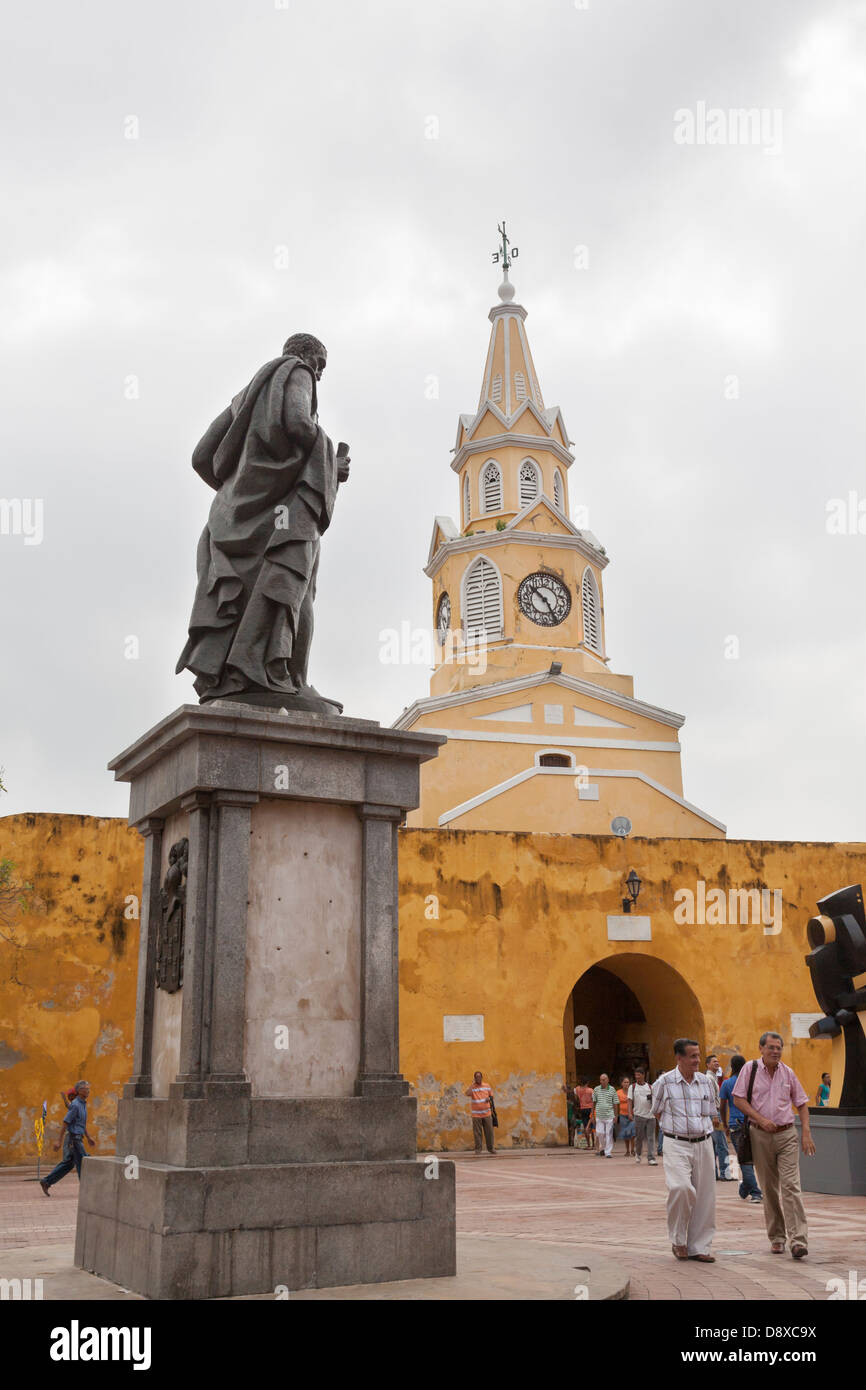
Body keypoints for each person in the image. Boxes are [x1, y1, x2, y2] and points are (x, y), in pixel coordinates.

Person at [176, 333, 350, 712]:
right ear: (306, 356)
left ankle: (236, 677)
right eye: (319, 364)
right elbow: (299, 424)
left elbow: (201, 455)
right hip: (287, 514)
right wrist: (328, 466)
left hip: (231, 519)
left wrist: (239, 489)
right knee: (294, 588)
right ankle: (285, 678)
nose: (318, 374)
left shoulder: (244, 397)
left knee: (247, 597)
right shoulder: (297, 371)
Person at [733, 1031, 815, 1259]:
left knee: (791, 1186)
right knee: (769, 1189)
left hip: (787, 1134)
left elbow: (802, 1103)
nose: (776, 1051)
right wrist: (760, 1120)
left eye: (779, 1048)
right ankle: (777, 1237)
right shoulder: (750, 1070)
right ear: (761, 1049)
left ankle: (798, 1240)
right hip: (759, 1135)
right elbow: (738, 1099)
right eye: (771, 1047)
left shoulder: (788, 1073)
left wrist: (806, 1131)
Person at [652, 1040, 717, 1262]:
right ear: (678, 1058)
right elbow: (657, 1112)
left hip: (704, 1142)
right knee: (681, 1188)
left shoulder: (706, 1083)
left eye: (698, 1055)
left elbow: (709, 1113)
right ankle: (678, 1240)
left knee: (705, 1195)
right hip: (676, 1142)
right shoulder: (664, 1082)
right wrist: (676, 1129)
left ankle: (699, 1246)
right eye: (692, 1056)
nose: (697, 1060)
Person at [719, 1054, 762, 1202]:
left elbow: (722, 1106)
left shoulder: (727, 1083)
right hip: (753, 1122)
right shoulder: (752, 1081)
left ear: (732, 1066)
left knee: (744, 1160)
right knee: (751, 1158)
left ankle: (755, 1192)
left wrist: (724, 1124)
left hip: (736, 1124)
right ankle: (745, 1188)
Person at [40, 1081, 95, 1194]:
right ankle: (86, 1189)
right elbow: (65, 1122)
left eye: (88, 1088)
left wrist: (88, 1137)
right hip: (74, 1139)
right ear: (79, 1091)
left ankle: (47, 1181)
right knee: (83, 1161)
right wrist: (58, 1141)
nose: (88, 1090)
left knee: (69, 1163)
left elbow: (81, 1124)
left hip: (78, 1137)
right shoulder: (75, 1105)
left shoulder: (82, 1104)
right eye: (85, 1088)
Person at [705, 1053, 733, 1181]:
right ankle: (725, 1173)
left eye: (717, 1061)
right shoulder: (709, 1079)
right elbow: (710, 1099)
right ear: (708, 1064)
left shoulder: (713, 1078)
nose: (717, 1063)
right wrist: (715, 1115)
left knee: (713, 1144)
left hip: (713, 1114)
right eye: (714, 1062)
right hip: (714, 1113)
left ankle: (714, 1173)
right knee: (722, 1144)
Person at [629, 1066, 657, 1165]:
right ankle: (638, 1153)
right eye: (636, 1075)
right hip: (638, 1115)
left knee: (651, 1137)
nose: (637, 1077)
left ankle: (651, 1158)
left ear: (643, 1075)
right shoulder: (632, 1087)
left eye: (639, 1075)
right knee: (639, 1137)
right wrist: (630, 1112)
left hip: (651, 1116)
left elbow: (655, 1100)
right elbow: (630, 1100)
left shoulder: (650, 1087)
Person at [465, 1071, 496, 1155]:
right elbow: (467, 1093)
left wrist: (489, 1099)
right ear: (474, 1078)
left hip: (487, 1113)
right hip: (476, 1114)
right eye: (476, 1077)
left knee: (489, 1132)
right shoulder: (472, 1087)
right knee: (477, 1133)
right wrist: (472, 1084)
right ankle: (478, 1149)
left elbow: (491, 1095)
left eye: (479, 1077)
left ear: (481, 1077)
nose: (478, 1078)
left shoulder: (487, 1086)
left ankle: (491, 1148)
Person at [592, 1072, 618, 1157]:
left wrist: (616, 1115)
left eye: (604, 1080)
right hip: (599, 1115)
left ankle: (608, 1152)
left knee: (608, 1134)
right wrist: (592, 1115)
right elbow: (593, 1103)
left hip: (609, 1116)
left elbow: (615, 1103)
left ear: (608, 1080)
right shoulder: (596, 1089)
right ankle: (603, 1148)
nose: (602, 1081)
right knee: (600, 1133)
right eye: (601, 1080)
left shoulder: (612, 1089)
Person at [617, 1075, 635, 1156]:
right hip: (622, 1115)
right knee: (625, 1134)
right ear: (622, 1083)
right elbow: (616, 1105)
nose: (626, 1084)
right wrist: (616, 1115)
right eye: (625, 1082)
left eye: (628, 1082)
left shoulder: (632, 1092)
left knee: (632, 1134)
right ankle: (627, 1151)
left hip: (632, 1115)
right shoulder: (618, 1093)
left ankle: (633, 1150)